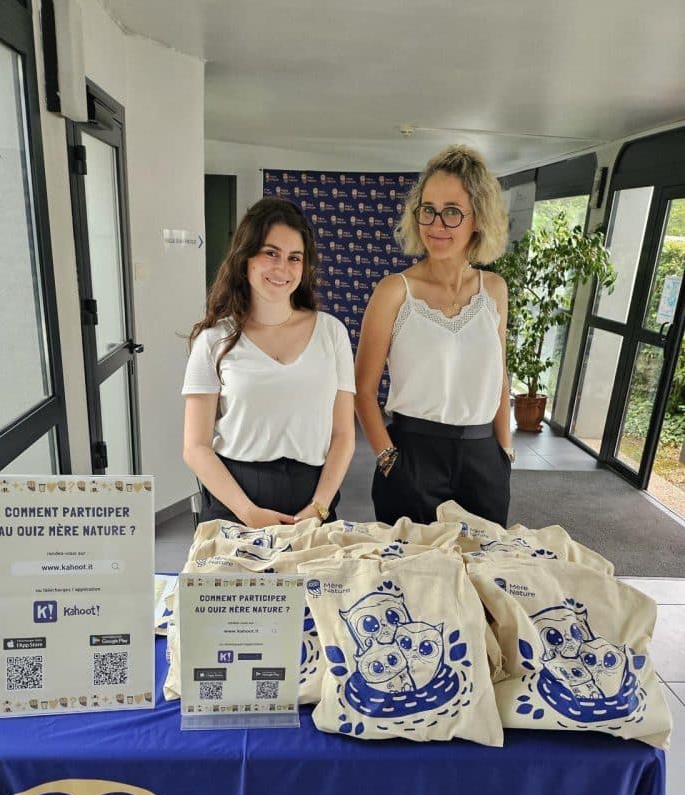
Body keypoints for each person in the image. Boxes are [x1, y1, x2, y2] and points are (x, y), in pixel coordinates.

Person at [354, 145, 513, 527]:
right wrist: (388, 458)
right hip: (412, 456)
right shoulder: (394, 291)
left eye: (452, 212)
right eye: (428, 210)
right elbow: (362, 388)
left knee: (480, 574)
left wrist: (505, 452)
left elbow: (500, 378)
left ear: (478, 219)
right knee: (411, 577)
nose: (436, 225)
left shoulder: (495, 290)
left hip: (483, 458)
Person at [182, 197, 356, 528]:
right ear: (245, 259)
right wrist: (248, 513)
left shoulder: (331, 333)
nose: (282, 268)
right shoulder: (214, 339)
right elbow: (196, 447)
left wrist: (319, 507)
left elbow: (344, 434)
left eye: (294, 258)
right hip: (235, 498)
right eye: (270, 253)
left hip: (313, 499)